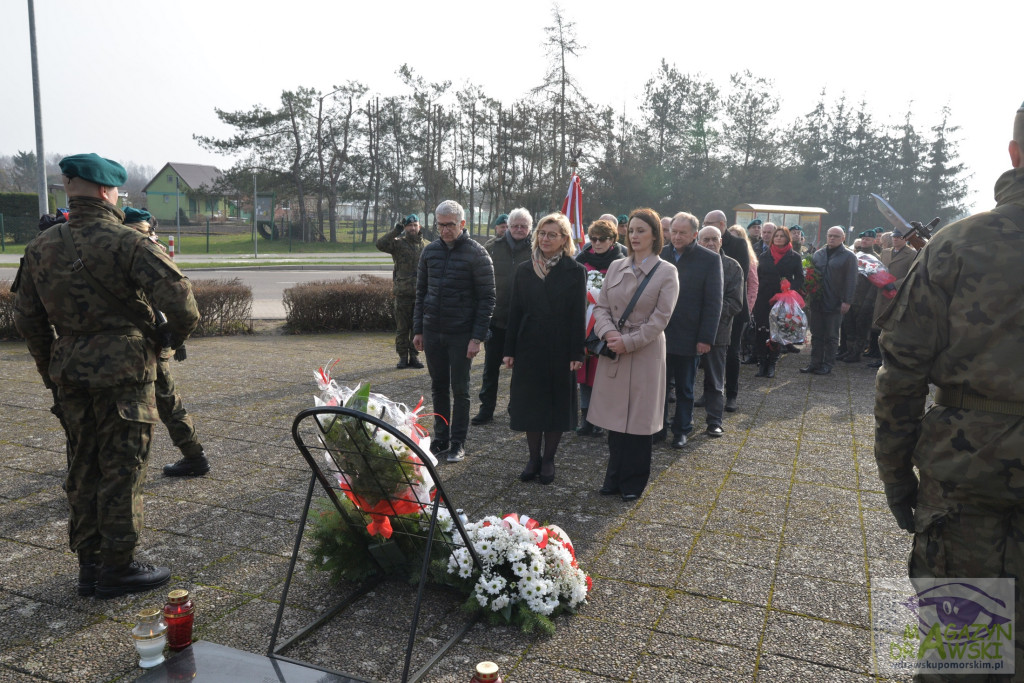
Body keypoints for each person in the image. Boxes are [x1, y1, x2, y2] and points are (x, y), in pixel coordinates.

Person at [874, 101, 1024, 676]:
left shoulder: (958, 244)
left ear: (1013, 154)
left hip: (962, 481)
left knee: (955, 658)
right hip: (964, 482)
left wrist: (896, 480)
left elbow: (902, 372)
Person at [13, 153, 199, 598]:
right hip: (125, 373)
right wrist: (165, 344)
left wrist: (50, 374)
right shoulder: (129, 242)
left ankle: (88, 566)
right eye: (117, 190)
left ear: (69, 188)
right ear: (105, 191)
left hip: (70, 373)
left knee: (83, 466)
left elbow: (28, 321)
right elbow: (184, 306)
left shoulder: (40, 246)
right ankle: (118, 567)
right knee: (123, 469)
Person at [587, 208, 679, 502]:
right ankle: (613, 476)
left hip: (644, 354)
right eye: (632, 230)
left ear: (655, 235)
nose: (635, 235)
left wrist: (629, 341)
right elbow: (601, 308)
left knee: (638, 421)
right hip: (615, 350)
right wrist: (608, 334)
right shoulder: (615, 267)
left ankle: (633, 482)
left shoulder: (667, 272)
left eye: (642, 230)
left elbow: (661, 319)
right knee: (614, 419)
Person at [122, 208, 209, 476]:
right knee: (168, 401)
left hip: (136, 339)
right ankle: (194, 456)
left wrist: (172, 336)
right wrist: (173, 337)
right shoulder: (149, 245)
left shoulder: (124, 246)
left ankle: (193, 458)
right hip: (152, 337)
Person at [503, 213, 585, 485]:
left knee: (556, 405)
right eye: (542, 233)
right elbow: (514, 311)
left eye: (552, 234)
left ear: (564, 240)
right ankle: (532, 457)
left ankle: (549, 459)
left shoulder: (575, 271)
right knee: (531, 404)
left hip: (561, 349)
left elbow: (577, 316)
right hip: (529, 347)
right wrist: (509, 349)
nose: (545, 239)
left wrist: (577, 353)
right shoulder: (525, 269)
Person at [413, 200, 495, 463]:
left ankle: (458, 441)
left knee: (460, 389)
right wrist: (418, 329)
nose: (445, 230)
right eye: (440, 225)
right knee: (438, 387)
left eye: (450, 225)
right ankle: (440, 437)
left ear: (462, 224)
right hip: (433, 330)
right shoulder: (430, 252)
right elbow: (421, 292)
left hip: (462, 334)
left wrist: (477, 337)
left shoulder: (477, 254)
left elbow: (487, 299)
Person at [659, 212, 722, 448]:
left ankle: (681, 429)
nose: (676, 237)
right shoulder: (661, 254)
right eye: (673, 231)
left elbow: (713, 302)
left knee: (685, 387)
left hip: (690, 335)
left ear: (694, 234)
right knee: (660, 387)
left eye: (682, 233)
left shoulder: (709, 259)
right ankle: (658, 428)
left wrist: (706, 338)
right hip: (660, 333)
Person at [472, 208, 533, 425]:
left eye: (523, 226)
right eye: (515, 225)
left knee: (521, 371)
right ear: (507, 226)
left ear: (529, 229)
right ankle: (486, 409)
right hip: (496, 320)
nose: (518, 229)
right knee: (490, 369)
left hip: (524, 323)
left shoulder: (537, 251)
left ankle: (515, 408)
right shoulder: (492, 248)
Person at [575, 219, 626, 437]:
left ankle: (604, 418)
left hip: (609, 325)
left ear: (612, 240)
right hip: (583, 324)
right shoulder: (581, 260)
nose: (596, 243)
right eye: (593, 239)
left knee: (604, 373)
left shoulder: (622, 262)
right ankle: (586, 419)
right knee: (585, 373)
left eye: (602, 239)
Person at [695, 226, 743, 436]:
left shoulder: (732, 267)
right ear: (698, 241)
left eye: (714, 239)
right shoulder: (691, 262)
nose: (710, 243)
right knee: (685, 379)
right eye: (705, 240)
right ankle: (682, 421)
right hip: (689, 329)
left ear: (721, 241)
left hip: (719, 331)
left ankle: (715, 420)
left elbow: (735, 303)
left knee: (715, 380)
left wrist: (710, 310)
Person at [707, 212, 754, 413]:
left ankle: (732, 394)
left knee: (732, 352)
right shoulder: (703, 243)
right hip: (711, 308)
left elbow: (739, 274)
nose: (706, 226)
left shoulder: (738, 244)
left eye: (710, 224)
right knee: (709, 352)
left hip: (732, 307)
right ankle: (707, 392)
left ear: (721, 224)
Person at [800, 226, 856, 376]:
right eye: (830, 235)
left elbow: (851, 281)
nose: (832, 238)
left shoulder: (849, 256)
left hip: (835, 301)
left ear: (843, 238)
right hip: (817, 301)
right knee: (816, 334)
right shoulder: (819, 254)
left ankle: (827, 364)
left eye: (836, 236)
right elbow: (811, 274)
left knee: (831, 336)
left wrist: (847, 301)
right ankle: (814, 362)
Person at [376, 213, 429, 369]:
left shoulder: (427, 245)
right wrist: (395, 231)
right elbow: (380, 244)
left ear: (419, 226)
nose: (412, 228)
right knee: (402, 329)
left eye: (415, 225)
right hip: (403, 294)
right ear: (405, 227)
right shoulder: (398, 244)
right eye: (409, 226)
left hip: (420, 295)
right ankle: (402, 357)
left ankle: (414, 356)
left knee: (417, 328)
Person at [751, 225, 803, 378]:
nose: (779, 238)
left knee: (777, 330)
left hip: (782, 298)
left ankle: (772, 363)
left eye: (782, 236)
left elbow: (800, 277)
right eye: (777, 236)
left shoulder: (794, 257)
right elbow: (757, 277)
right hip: (763, 298)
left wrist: (790, 288)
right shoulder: (764, 255)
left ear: (787, 238)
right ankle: (762, 363)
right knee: (761, 330)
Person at [865, 229, 917, 369]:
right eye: (894, 237)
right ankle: (877, 355)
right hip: (882, 292)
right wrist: (878, 278)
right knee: (878, 326)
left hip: (896, 293)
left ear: (905, 239)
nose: (895, 239)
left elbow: (912, 274)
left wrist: (894, 284)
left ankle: (887, 358)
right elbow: (880, 268)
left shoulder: (911, 254)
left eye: (899, 237)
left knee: (891, 327)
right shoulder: (886, 252)